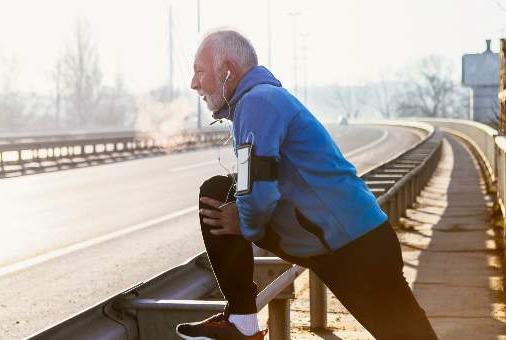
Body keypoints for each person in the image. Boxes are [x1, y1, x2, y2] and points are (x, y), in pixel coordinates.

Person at [176, 29, 438, 340]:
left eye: (199, 71)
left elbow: (256, 191)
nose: (194, 83)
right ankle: (241, 321)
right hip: (340, 245)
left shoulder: (257, 103)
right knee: (218, 192)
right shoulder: (260, 101)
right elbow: (254, 181)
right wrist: (244, 216)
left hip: (354, 249)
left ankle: (242, 324)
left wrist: (243, 223)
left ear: (227, 69)